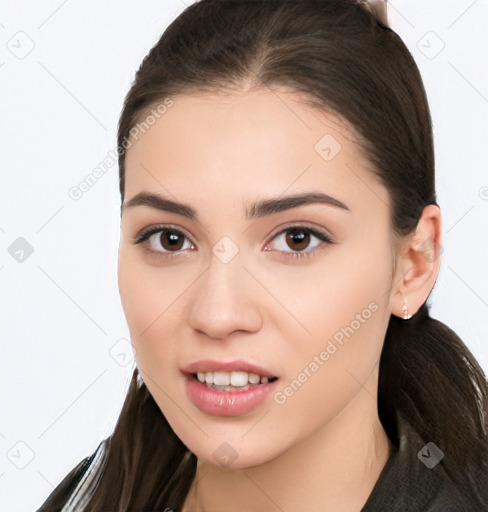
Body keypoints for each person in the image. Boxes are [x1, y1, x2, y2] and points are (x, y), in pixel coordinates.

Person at [36, 0, 488, 510]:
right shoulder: (89, 494)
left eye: (297, 239)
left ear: (414, 263)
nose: (218, 314)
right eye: (170, 238)